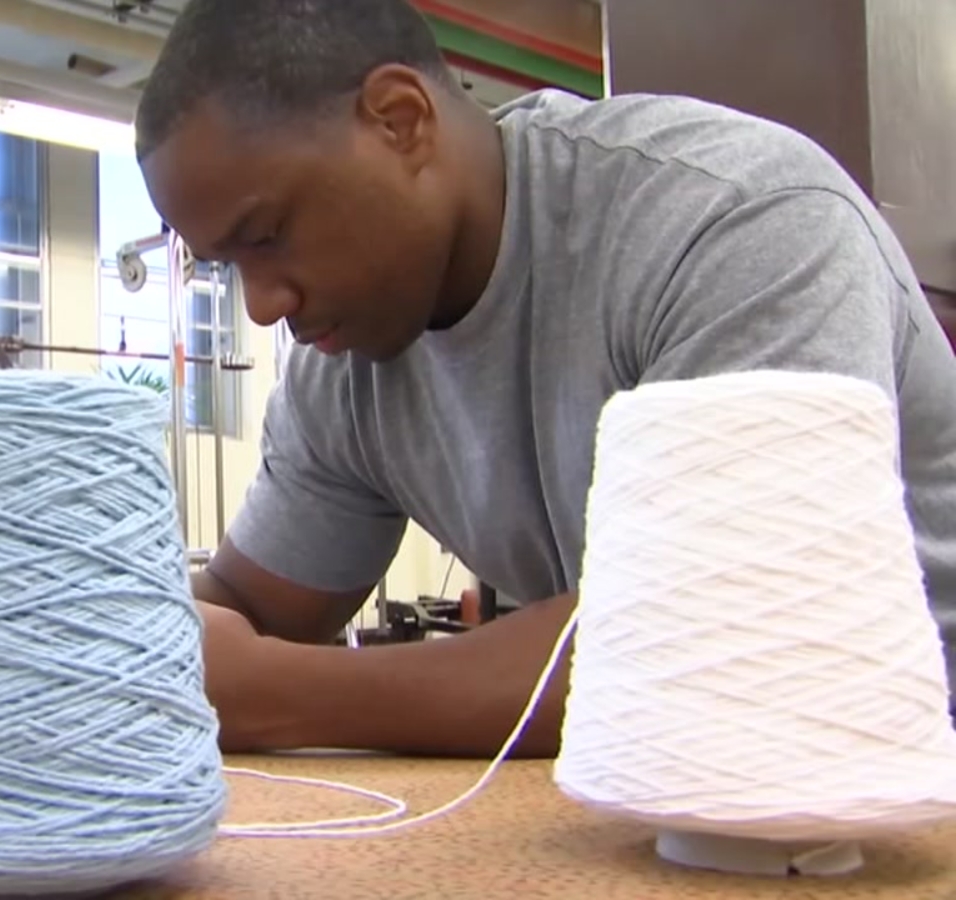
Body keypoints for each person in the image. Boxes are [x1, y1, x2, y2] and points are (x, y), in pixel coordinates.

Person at [133, 0, 956, 758]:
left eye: (268, 234)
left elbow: (730, 639)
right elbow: (243, 606)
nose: (265, 305)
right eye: (228, 266)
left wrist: (276, 695)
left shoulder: (736, 221)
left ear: (399, 120)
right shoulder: (341, 363)